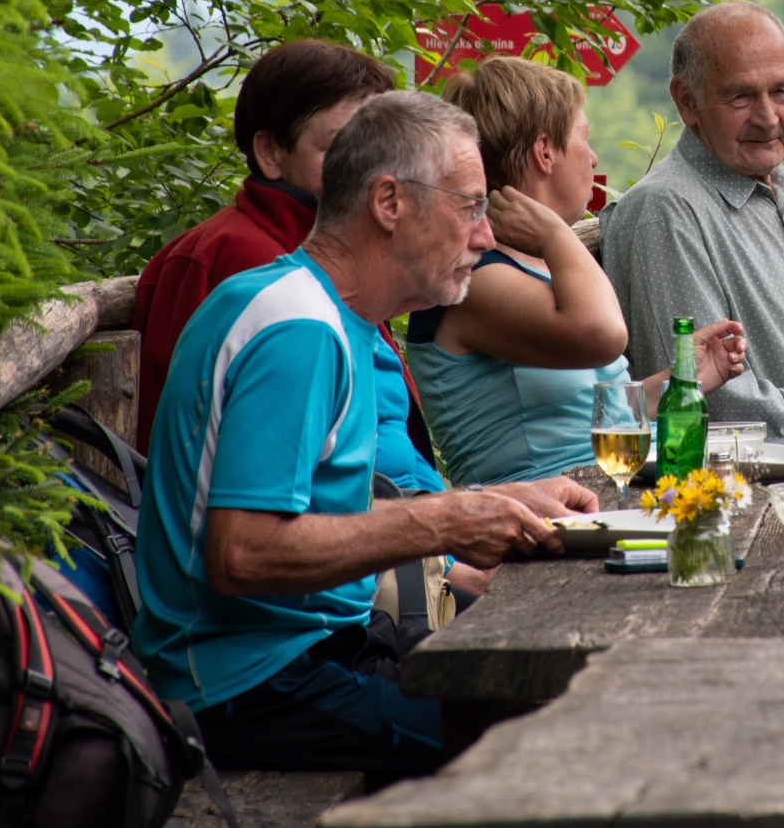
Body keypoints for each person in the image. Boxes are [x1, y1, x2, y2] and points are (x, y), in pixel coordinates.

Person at [133, 90, 597, 784]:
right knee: (552, 744)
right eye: (470, 205)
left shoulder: (324, 311)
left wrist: (501, 500)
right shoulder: (300, 329)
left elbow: (323, 515)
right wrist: (447, 518)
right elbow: (244, 551)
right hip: (249, 683)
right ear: (389, 202)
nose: (486, 235)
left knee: (563, 688)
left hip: (321, 646)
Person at [408, 56, 748, 486]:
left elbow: (589, 417)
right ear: (545, 151)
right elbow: (604, 337)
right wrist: (555, 233)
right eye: (584, 139)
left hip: (596, 496)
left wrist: (676, 382)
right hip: (534, 522)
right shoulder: (474, 279)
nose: (594, 156)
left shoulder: (531, 266)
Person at [130, 40, 436, 493]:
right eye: (341, 148)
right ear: (271, 153)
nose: (371, 173)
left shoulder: (339, 247)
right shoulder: (235, 259)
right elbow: (211, 480)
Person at [600, 3, 784, 451]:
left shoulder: (783, 190)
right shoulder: (667, 211)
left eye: (781, 91)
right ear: (687, 102)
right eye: (740, 97)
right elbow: (709, 401)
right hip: (755, 495)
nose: (768, 117)